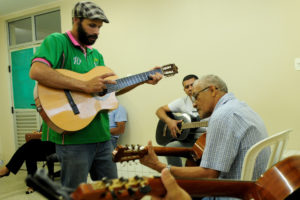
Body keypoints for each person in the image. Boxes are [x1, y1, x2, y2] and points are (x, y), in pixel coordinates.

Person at [29, 1, 162, 190]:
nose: (97, 32)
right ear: (76, 20)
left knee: (112, 191)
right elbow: (37, 71)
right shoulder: (57, 41)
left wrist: (143, 79)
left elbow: (110, 90)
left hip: (102, 137)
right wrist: (84, 85)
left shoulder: (96, 55)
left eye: (99, 27)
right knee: (74, 193)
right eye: (92, 25)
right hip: (73, 138)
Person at [141, 74, 270, 200]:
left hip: (233, 194)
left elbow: (209, 174)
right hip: (253, 190)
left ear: (212, 90)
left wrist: (159, 166)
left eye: (196, 97)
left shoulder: (222, 116)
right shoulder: (241, 107)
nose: (194, 104)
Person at [156, 74, 206, 166]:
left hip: (206, 140)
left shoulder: (208, 100)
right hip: (189, 140)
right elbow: (159, 110)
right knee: (169, 148)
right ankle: (177, 174)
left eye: (192, 85)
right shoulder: (182, 102)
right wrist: (169, 121)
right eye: (187, 87)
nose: (190, 88)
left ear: (200, 84)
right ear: (184, 90)